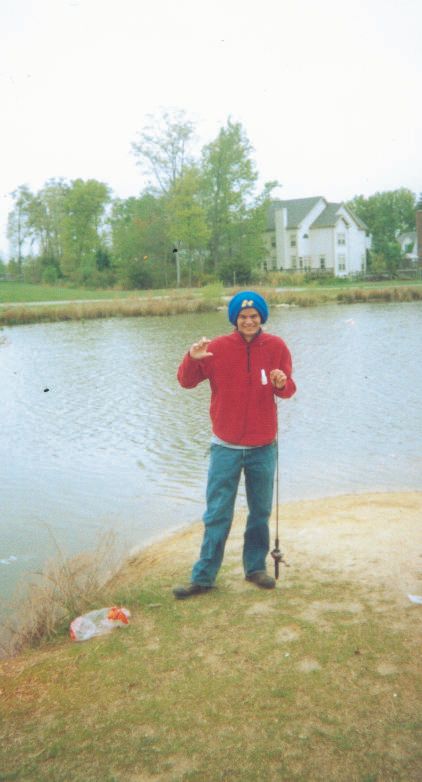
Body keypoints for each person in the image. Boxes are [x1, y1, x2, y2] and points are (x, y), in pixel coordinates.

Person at [172, 290, 296, 599]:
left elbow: (288, 389)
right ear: (235, 320)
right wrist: (191, 357)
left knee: (260, 511)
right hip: (225, 446)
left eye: (254, 316)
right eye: (242, 316)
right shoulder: (215, 348)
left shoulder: (277, 346)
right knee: (218, 513)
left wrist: (282, 382)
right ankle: (203, 577)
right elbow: (185, 382)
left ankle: (255, 568)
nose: (249, 320)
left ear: (262, 318)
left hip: (263, 446)